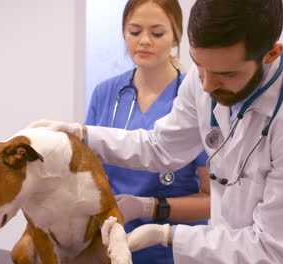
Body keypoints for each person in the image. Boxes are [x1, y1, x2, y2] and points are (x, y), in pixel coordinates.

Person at [29, 0, 283, 263]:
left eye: (226, 74)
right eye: (199, 65)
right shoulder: (202, 79)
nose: (207, 85)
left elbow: (273, 250)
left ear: (271, 54)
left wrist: (166, 233)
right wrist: (82, 133)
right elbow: (160, 147)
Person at [85, 0, 210, 263]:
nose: (144, 41)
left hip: (172, 248)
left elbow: (212, 201)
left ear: (177, 36)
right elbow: (89, 177)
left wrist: (151, 208)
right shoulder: (106, 94)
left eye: (157, 33)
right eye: (134, 31)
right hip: (111, 245)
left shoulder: (199, 96)